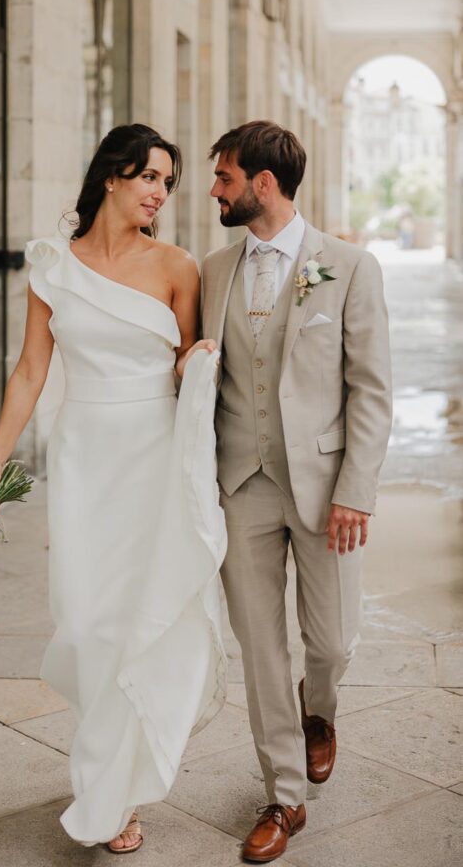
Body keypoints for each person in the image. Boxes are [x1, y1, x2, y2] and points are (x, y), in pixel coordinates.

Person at [0, 123, 227, 853]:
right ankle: (105, 769)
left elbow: (183, 368)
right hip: (85, 458)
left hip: (152, 456)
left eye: (167, 182)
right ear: (110, 176)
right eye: (148, 176)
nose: (158, 193)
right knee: (84, 625)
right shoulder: (53, 265)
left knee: (134, 624)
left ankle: (117, 795)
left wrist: (198, 362)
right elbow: (28, 373)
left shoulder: (177, 267)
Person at [201, 121, 392, 864]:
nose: (214, 190)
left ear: (263, 184)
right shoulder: (213, 269)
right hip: (239, 485)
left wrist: (357, 490)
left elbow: (370, 390)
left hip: (323, 490)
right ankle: (284, 796)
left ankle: (321, 711)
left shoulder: (347, 266)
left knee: (332, 640)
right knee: (257, 647)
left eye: (224, 178)